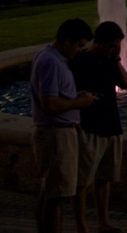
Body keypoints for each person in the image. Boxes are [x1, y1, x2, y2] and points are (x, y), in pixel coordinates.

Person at [30, 18, 98, 233]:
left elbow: (54, 97)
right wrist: (79, 103)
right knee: (57, 197)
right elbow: (48, 103)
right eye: (79, 45)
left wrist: (74, 98)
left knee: (50, 193)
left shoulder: (52, 58)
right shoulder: (51, 62)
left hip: (58, 133)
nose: (80, 51)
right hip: (56, 136)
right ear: (67, 41)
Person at [69, 21, 127, 233]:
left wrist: (116, 58)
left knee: (105, 179)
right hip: (89, 128)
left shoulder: (110, 60)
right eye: (114, 45)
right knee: (82, 182)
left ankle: (104, 222)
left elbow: (125, 83)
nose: (117, 49)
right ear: (101, 43)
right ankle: (82, 227)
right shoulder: (80, 62)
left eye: (119, 45)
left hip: (112, 126)